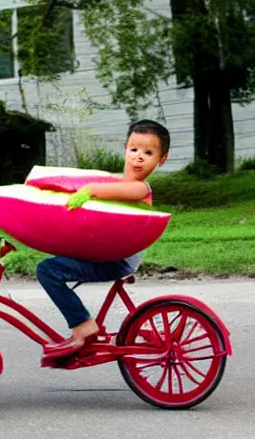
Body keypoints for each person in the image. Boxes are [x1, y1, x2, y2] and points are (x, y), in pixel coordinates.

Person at [37, 119, 170, 360]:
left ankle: (83, 325)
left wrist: (88, 190)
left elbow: (100, 190)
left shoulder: (140, 188)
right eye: (134, 149)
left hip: (117, 260)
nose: (139, 157)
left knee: (47, 270)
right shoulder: (119, 183)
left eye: (148, 153)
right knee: (57, 260)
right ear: (125, 148)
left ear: (162, 159)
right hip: (112, 253)